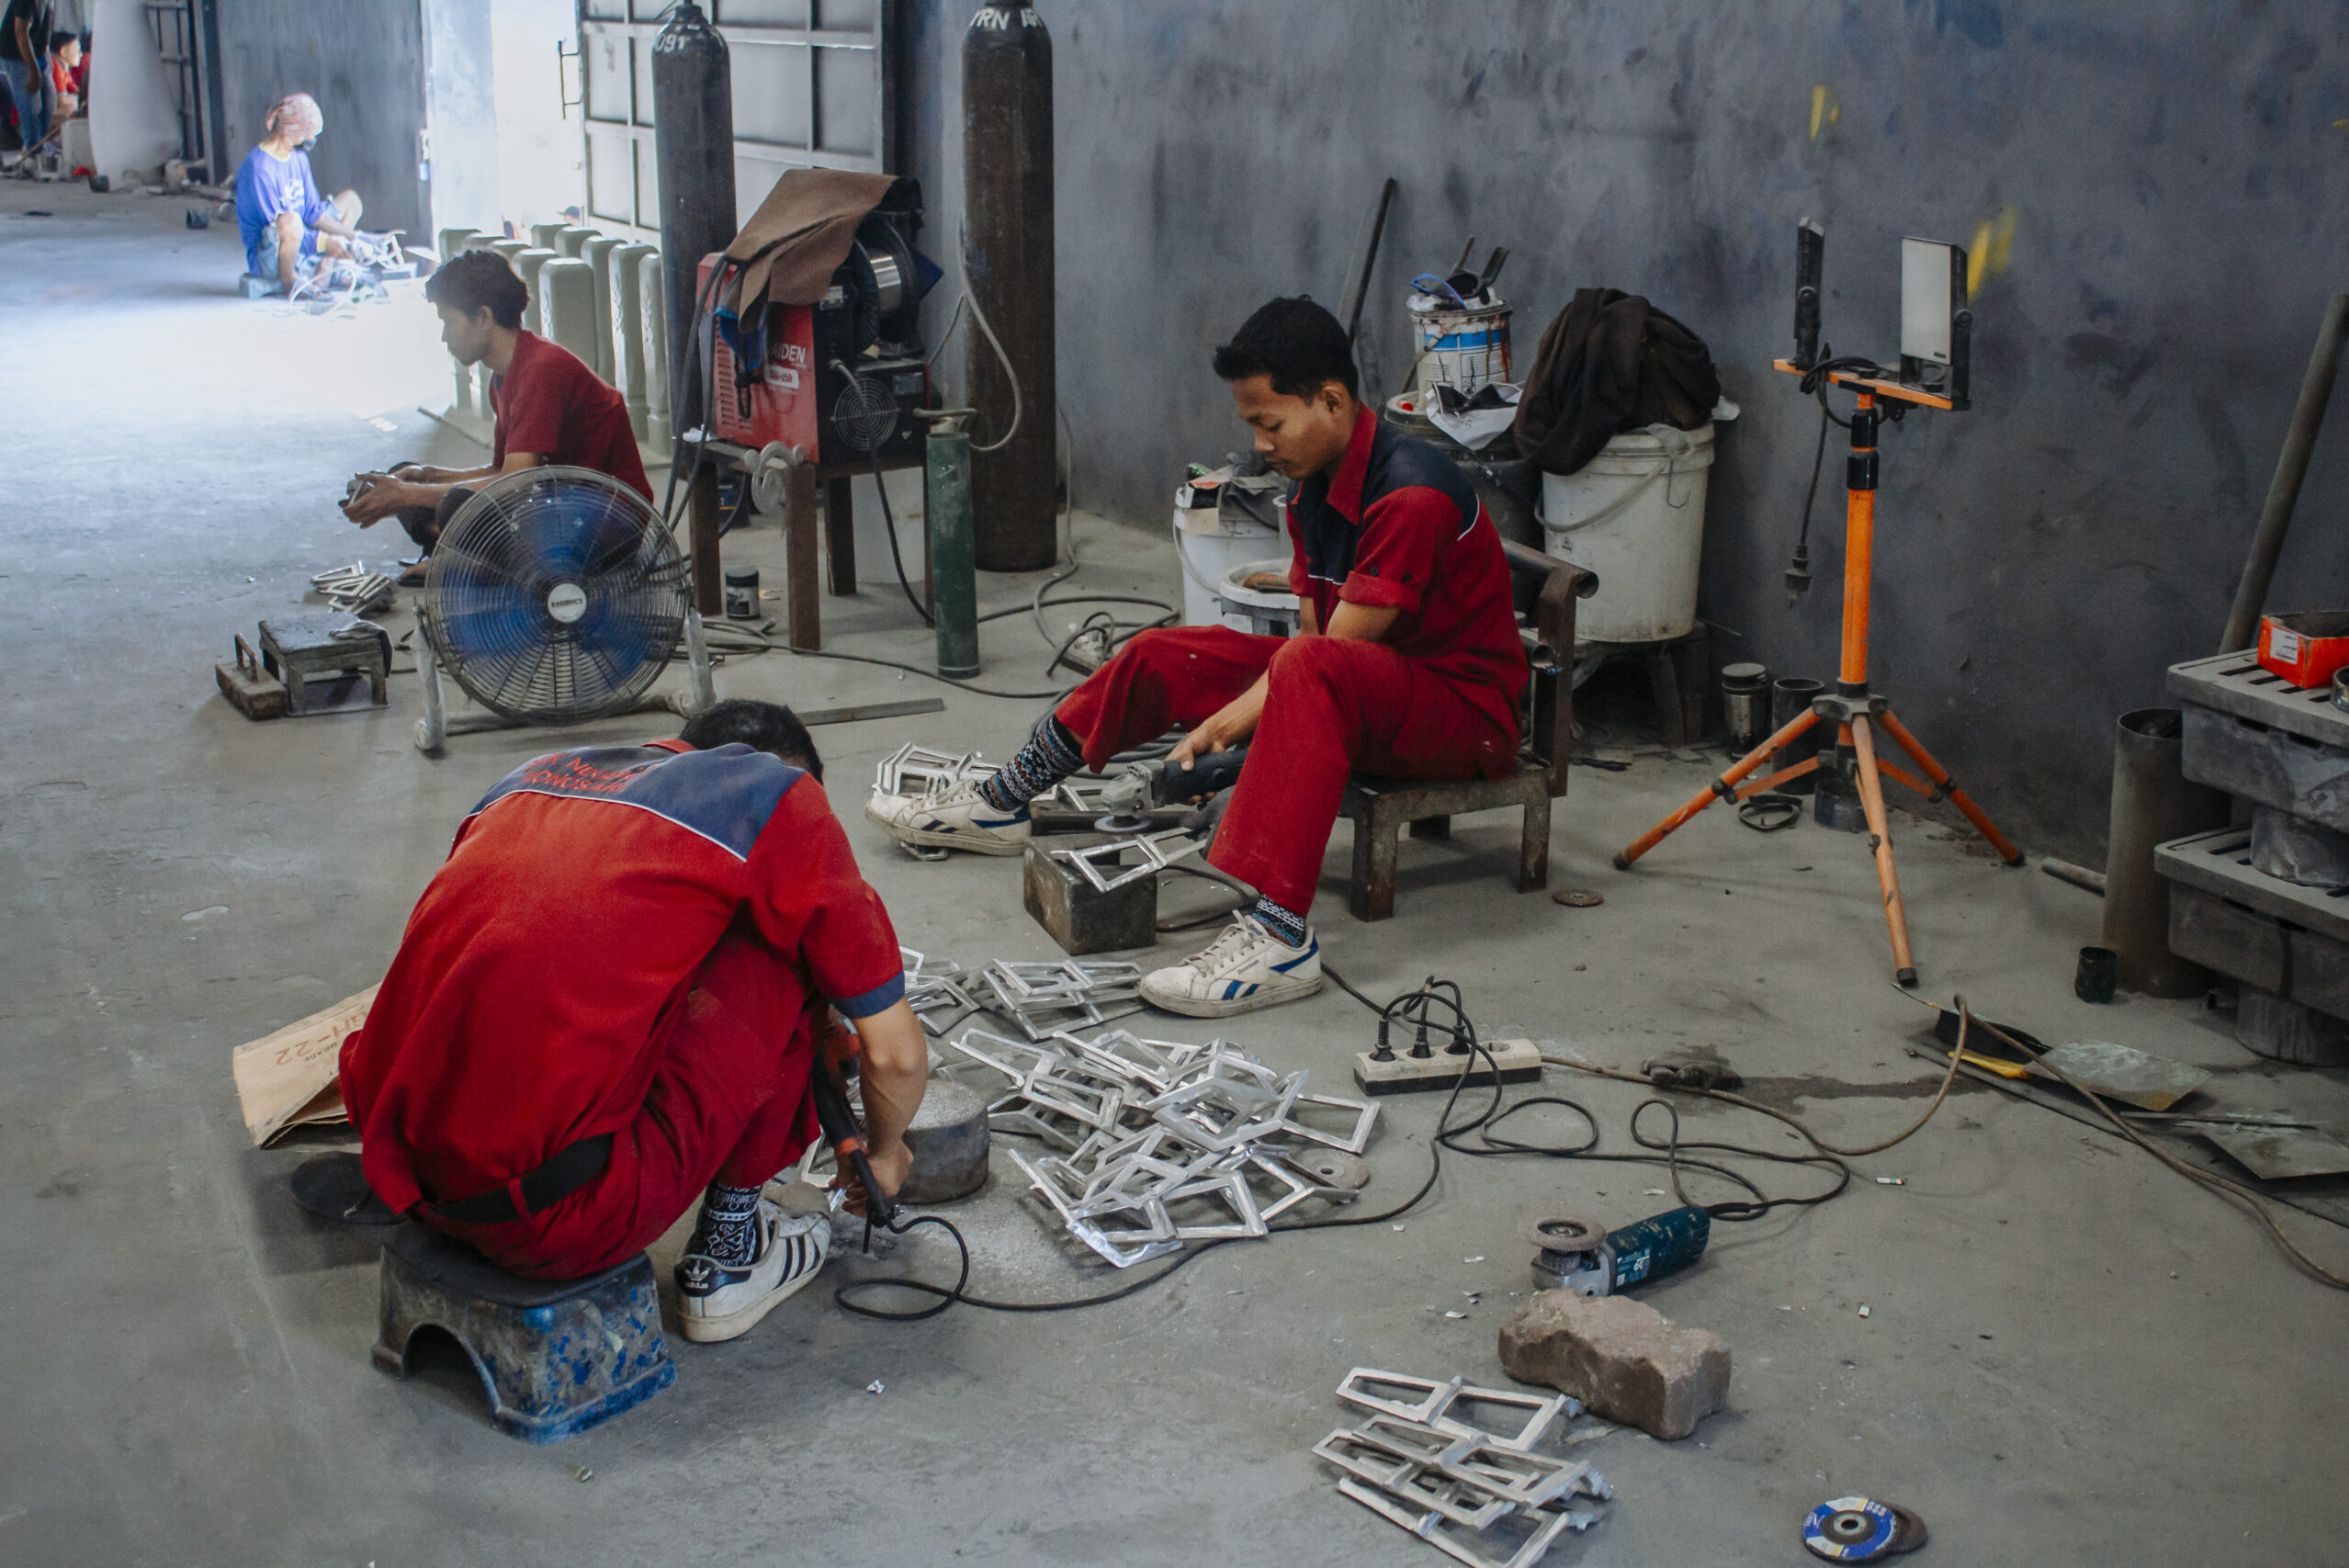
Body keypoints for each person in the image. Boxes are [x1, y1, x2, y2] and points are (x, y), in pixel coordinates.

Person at [868, 297, 1529, 1018]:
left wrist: (1229, 726)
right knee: (1165, 652)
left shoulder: (1410, 495)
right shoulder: (1314, 482)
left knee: (1304, 671)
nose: (1260, 442)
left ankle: (1282, 940)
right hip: (1369, 690)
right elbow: (1312, 635)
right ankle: (1005, 799)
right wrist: (1250, 719)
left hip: (1466, 718)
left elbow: (1331, 653)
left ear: (1332, 401)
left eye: (1268, 422)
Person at [339, 700, 928, 1343]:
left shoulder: (530, 779)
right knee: (789, 949)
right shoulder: (777, 799)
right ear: (799, 779)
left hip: (406, 1172)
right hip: (554, 1223)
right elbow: (895, 1056)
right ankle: (731, 1253)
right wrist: (884, 1149)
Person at [340, 248, 650, 581]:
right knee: (405, 476)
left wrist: (408, 496)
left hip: (603, 526)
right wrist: (425, 476)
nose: (445, 336)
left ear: (484, 318)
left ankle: (463, 557)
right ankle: (455, 550)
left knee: (454, 504)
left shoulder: (541, 370)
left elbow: (515, 482)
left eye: (448, 321)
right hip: (558, 511)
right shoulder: (503, 376)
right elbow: (501, 470)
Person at [233, 93, 365, 291]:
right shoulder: (259, 168)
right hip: (272, 254)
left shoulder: (298, 158)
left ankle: (327, 264)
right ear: (291, 131)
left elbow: (313, 212)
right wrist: (323, 242)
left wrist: (354, 236)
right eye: (308, 134)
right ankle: (289, 281)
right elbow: (278, 229)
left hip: (301, 236)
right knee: (291, 221)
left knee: (351, 200)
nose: (310, 139)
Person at [0, 0, 51, 154]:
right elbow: (20, 31)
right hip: (17, 55)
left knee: (48, 104)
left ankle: (39, 149)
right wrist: (33, 69)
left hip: (38, 53)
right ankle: (32, 154)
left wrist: (45, 57)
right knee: (30, 107)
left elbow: (44, 26)